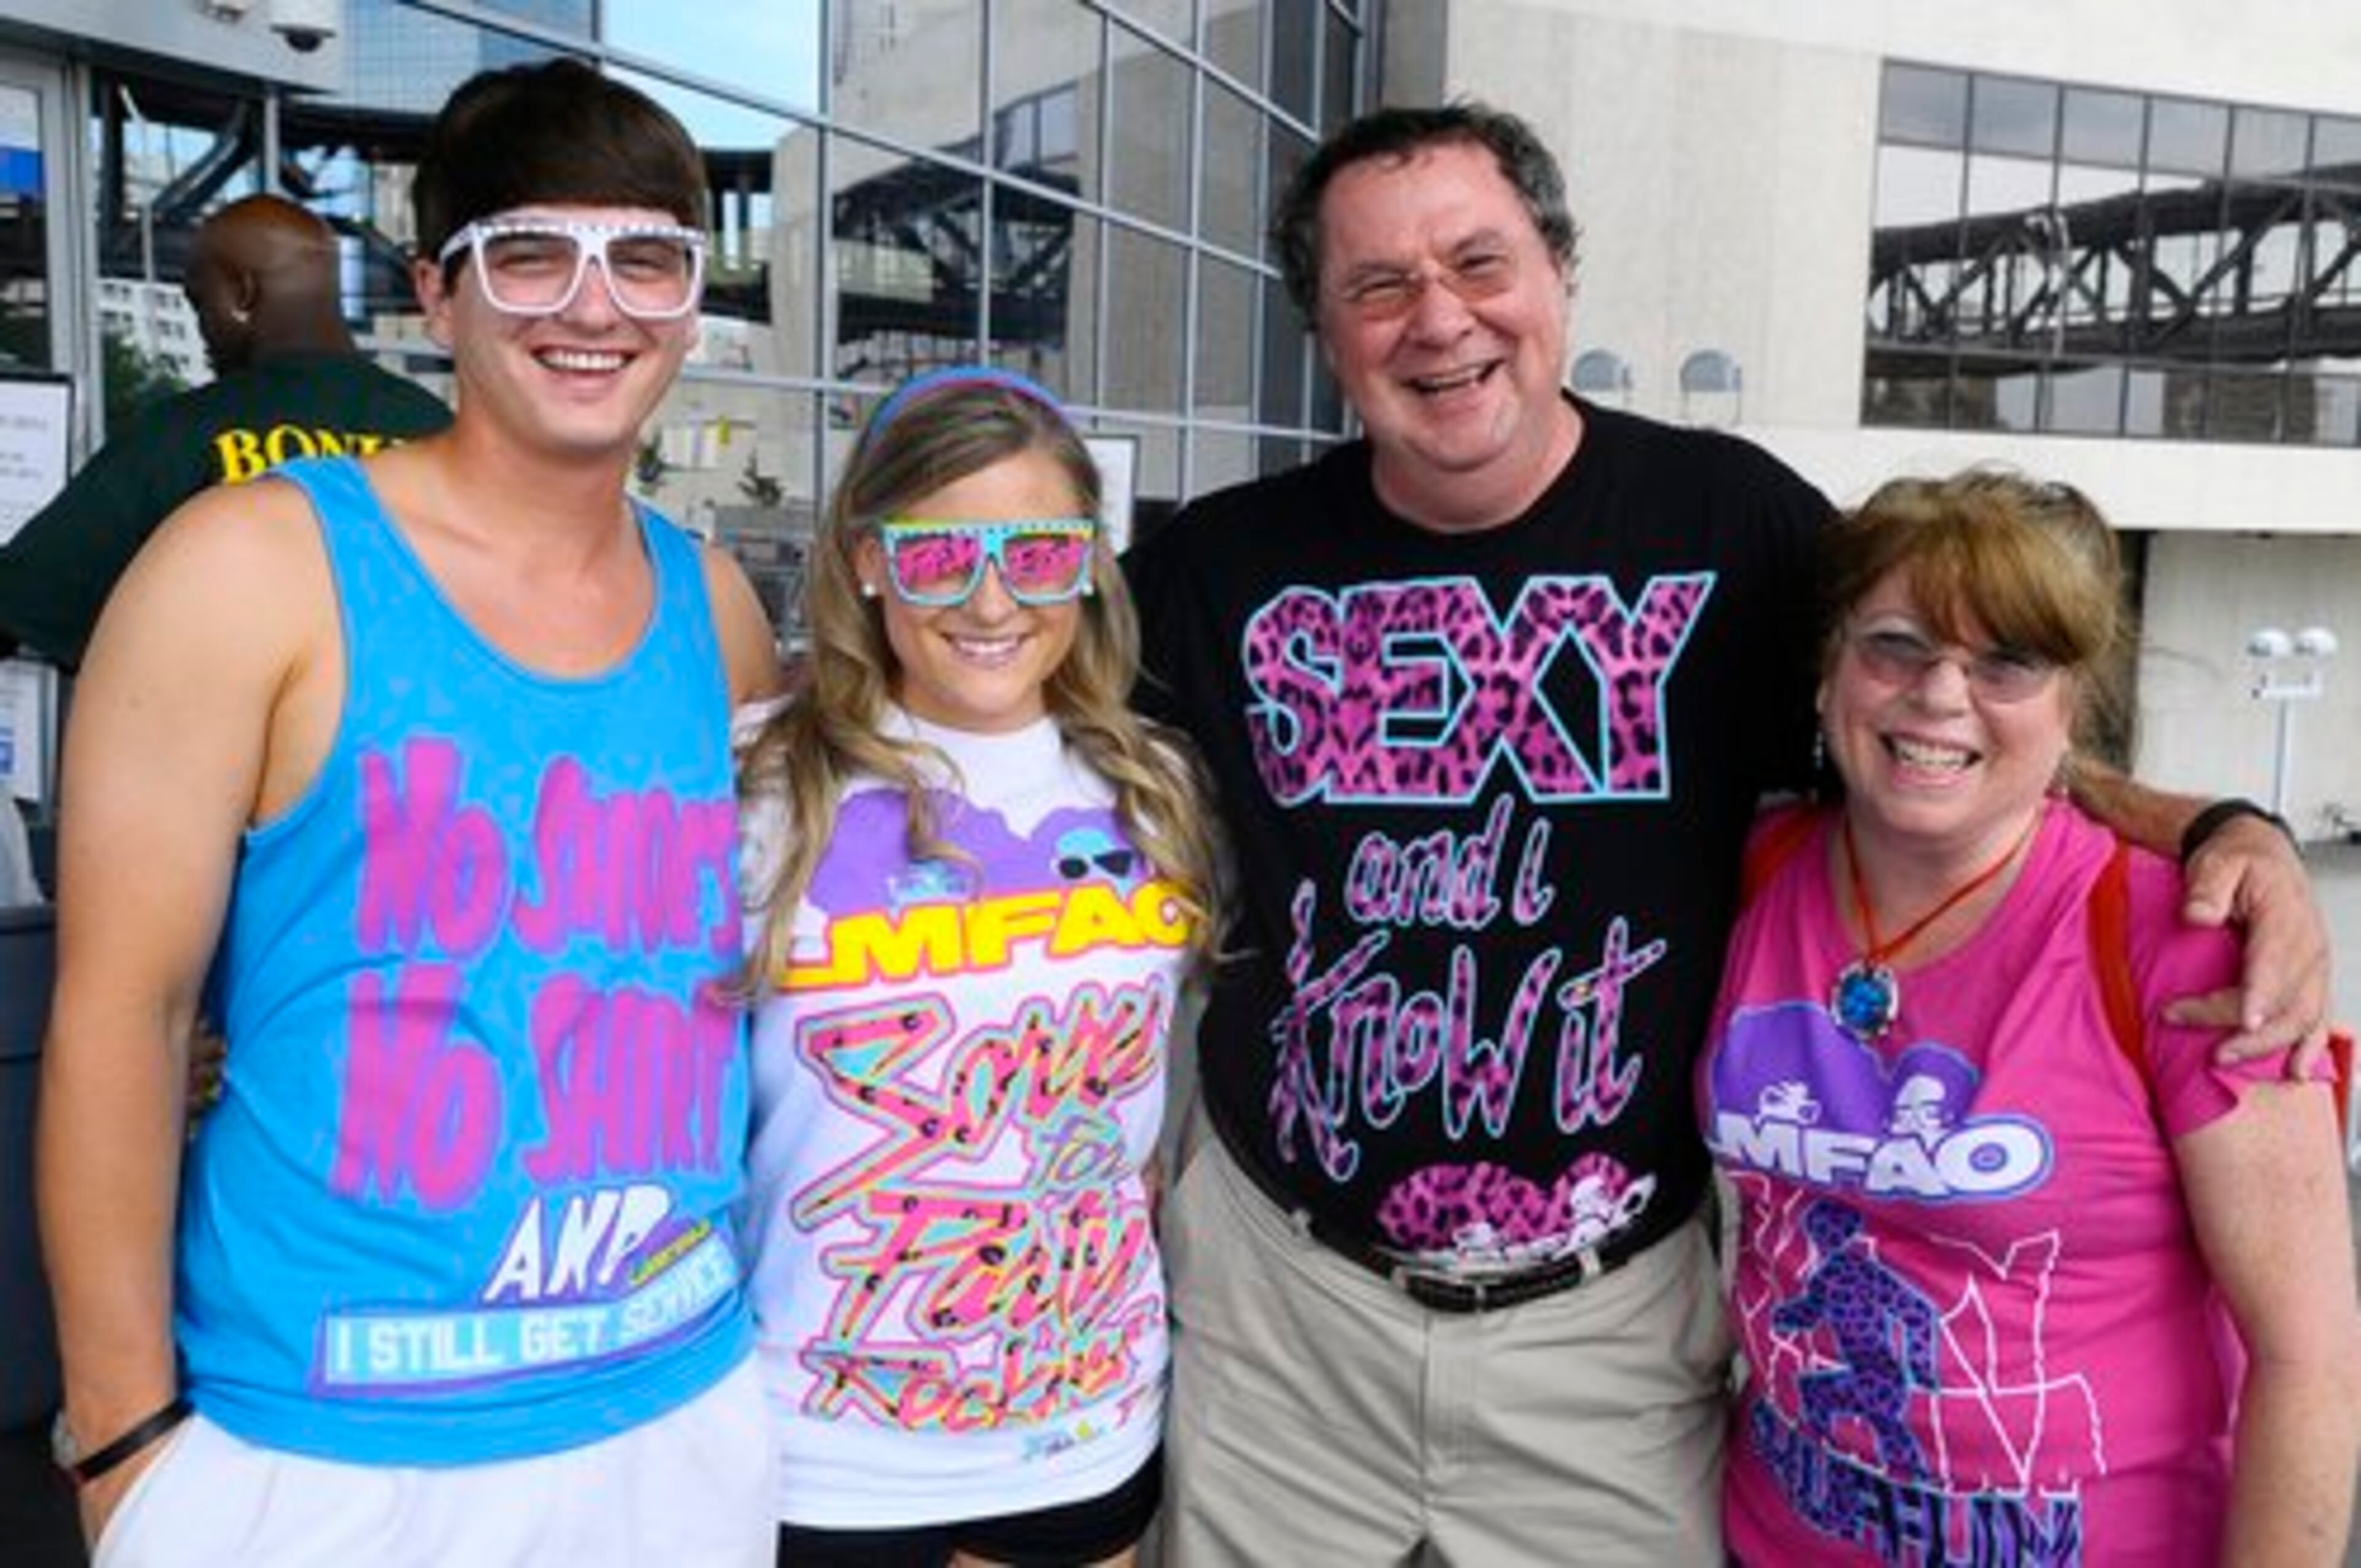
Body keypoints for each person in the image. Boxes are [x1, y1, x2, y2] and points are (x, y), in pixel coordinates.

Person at [1120, 102, 2330, 1566]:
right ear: (1324, 329)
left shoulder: (1729, 522)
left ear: (1558, 274)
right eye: (1377, 285)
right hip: (1282, 1316)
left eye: (1478, 262)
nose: (1438, 320)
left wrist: (2214, 823)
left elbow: (1936, 694)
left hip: (1608, 1333)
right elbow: (985, 710)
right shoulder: (1211, 568)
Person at [36, 58, 780, 1566]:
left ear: (691, 303)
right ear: (437, 295)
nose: (594, 305)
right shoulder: (245, 568)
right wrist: (118, 1442)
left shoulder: (714, 604)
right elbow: (124, 1012)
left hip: (677, 1408)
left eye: (645, 258)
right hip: (325, 1438)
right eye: (531, 253)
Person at [1703, 471, 2361, 1564]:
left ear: (2072, 704)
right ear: (1829, 673)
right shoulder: (1758, 873)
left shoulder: (2183, 936)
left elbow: (2311, 1359)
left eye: (2005, 661)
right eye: (1896, 645)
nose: (1941, 696)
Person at [735, 366, 1220, 1567]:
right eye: (943, 556)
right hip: (821, 1444)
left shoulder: (1153, 787)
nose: (996, 599)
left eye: (1041, 554)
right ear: (864, 559)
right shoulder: (755, 781)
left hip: (1083, 1428)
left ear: (1089, 564)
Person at [0, 192, 450, 671]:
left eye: (199, 302)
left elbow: (23, 600)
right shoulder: (434, 426)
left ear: (241, 293)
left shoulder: (181, 436)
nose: (202, 329)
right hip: (427, 738)